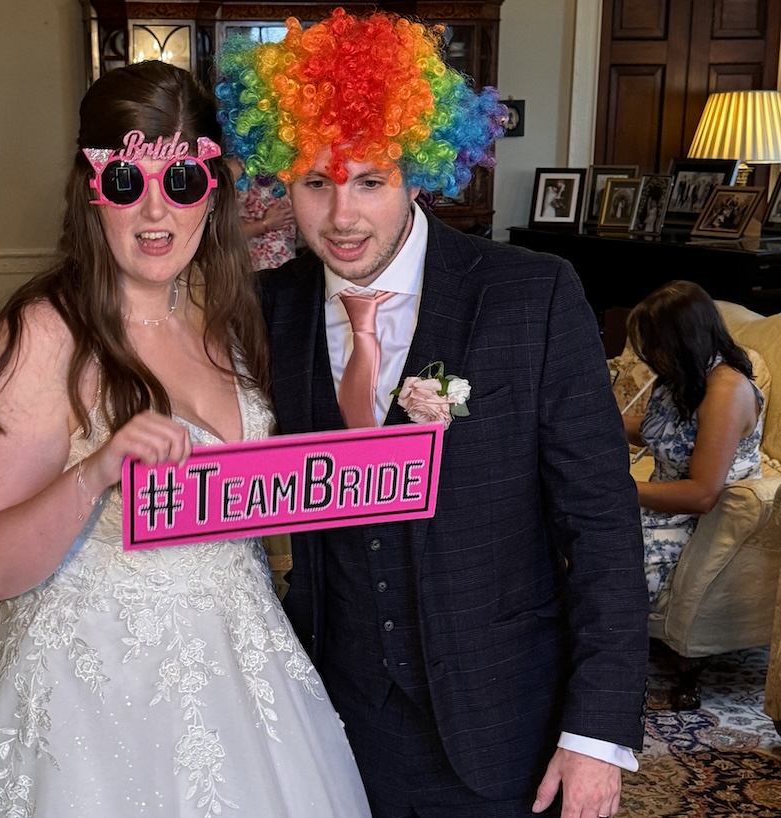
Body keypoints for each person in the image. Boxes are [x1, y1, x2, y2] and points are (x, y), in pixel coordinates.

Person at [217, 9, 650, 817]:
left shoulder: (532, 294)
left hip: (505, 725)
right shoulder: (266, 311)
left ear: (418, 168)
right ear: (282, 181)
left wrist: (595, 731)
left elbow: (600, 522)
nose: (342, 216)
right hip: (332, 724)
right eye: (316, 180)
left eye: (370, 179)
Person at [0, 60, 371, 817]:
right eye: (128, 182)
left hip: (245, 666)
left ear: (212, 191)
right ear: (92, 192)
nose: (155, 212)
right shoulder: (46, 334)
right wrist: (93, 474)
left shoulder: (229, 316)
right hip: (94, 694)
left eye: (181, 184)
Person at [623, 280, 763, 605]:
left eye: (655, 345)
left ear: (683, 341)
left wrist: (618, 488)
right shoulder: (684, 377)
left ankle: (602, 650)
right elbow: (666, 436)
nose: (649, 356)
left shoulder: (727, 391)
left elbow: (701, 495)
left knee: (601, 555)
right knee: (566, 529)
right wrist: (596, 422)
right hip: (661, 507)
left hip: (701, 525)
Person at [225, 155, 297, 270]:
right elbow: (222, 233)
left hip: (289, 267)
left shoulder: (293, 165)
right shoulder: (236, 169)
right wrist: (265, 224)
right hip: (250, 270)